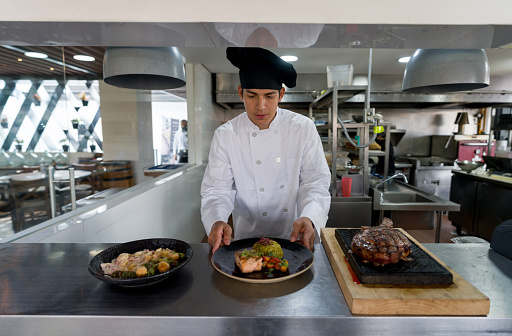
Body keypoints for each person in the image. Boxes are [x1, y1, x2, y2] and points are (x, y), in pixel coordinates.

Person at [201, 47, 331, 253]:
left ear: (281, 94)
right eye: (252, 95)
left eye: (269, 96)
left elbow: (315, 182)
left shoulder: (302, 128)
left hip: (296, 236)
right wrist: (216, 220)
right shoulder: (226, 135)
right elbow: (217, 189)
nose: (260, 106)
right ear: (240, 92)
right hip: (247, 239)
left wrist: (310, 217)